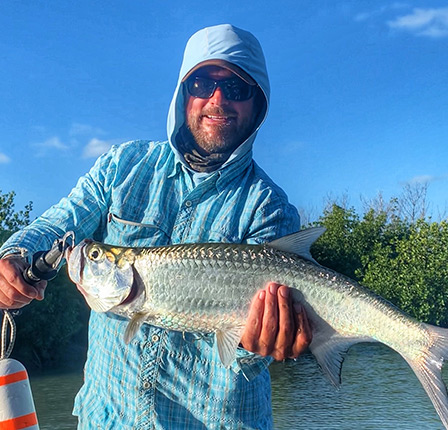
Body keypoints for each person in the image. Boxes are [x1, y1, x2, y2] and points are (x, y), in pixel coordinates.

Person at [0, 24, 311, 429]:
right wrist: (16, 255)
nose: (217, 99)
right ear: (183, 95)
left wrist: (266, 343)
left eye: (236, 88)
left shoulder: (269, 207)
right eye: (202, 82)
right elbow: (62, 221)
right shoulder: (122, 166)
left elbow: (251, 355)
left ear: (258, 106)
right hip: (108, 417)